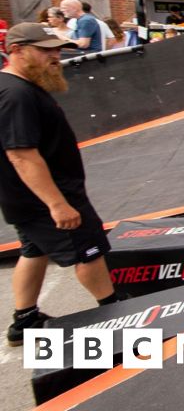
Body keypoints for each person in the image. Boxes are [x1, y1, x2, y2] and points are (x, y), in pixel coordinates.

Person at [0, 23, 125, 346]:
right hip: (47, 197)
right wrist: (57, 204)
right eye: (44, 50)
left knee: (33, 250)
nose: (54, 56)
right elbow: (22, 155)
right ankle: (115, 313)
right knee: (89, 252)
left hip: (26, 198)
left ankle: (24, 320)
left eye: (55, 49)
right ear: (16, 50)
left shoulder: (19, 86)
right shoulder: (16, 94)